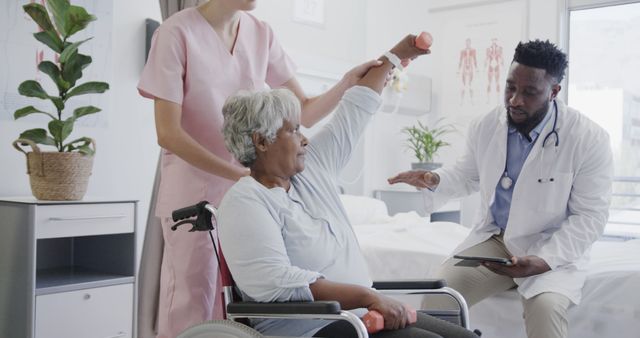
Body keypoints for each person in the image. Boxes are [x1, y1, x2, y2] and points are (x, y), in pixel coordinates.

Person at [137, 0, 381, 336]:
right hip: (195, 198)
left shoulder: (260, 33)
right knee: (194, 303)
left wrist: (345, 84)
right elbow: (168, 133)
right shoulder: (176, 33)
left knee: (244, 308)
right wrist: (240, 175)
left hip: (252, 196)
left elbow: (304, 111)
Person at [217, 35, 477, 338]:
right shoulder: (245, 202)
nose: (304, 139)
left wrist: (395, 56)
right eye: (294, 130)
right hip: (311, 328)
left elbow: (355, 111)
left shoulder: (312, 168)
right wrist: (368, 297)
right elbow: (276, 281)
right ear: (261, 141)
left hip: (358, 317)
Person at [388, 40, 613, 338]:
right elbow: (468, 174)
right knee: (441, 297)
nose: (515, 100)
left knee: (546, 311)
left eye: (529, 92)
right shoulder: (486, 125)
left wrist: (544, 260)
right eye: (510, 87)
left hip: (550, 248)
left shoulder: (588, 138)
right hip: (495, 244)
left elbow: (590, 217)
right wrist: (435, 180)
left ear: (554, 91)